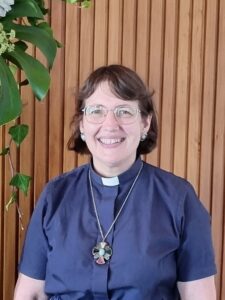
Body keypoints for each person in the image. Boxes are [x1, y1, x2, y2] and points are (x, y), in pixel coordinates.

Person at [14, 65, 217, 300]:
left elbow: (199, 295)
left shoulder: (179, 199)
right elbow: (31, 293)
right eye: (97, 111)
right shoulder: (55, 195)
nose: (110, 124)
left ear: (145, 123)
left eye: (124, 111)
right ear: (82, 124)